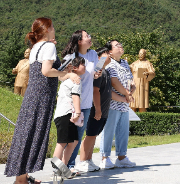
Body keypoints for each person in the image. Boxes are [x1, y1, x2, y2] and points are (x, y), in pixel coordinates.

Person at [4, 18, 81, 184]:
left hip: (33, 95)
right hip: (42, 96)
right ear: (46, 30)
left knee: (26, 133)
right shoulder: (49, 46)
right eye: (52, 26)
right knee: (32, 134)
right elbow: (46, 71)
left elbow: (43, 71)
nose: (54, 28)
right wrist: (67, 74)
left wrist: (61, 72)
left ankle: (22, 176)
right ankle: (21, 179)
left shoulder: (36, 47)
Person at [75, 47, 129, 173]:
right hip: (96, 109)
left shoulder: (105, 71)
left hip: (104, 109)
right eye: (106, 54)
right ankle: (82, 160)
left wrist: (124, 98)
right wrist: (98, 109)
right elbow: (95, 91)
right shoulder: (98, 70)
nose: (109, 55)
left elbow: (108, 92)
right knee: (90, 135)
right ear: (99, 57)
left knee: (93, 135)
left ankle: (88, 160)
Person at [61, 30, 101, 169]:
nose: (90, 38)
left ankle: (70, 166)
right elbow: (61, 76)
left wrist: (96, 74)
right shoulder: (70, 56)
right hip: (71, 102)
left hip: (86, 102)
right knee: (68, 136)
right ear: (79, 41)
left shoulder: (93, 54)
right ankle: (62, 166)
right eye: (87, 36)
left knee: (77, 136)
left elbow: (94, 72)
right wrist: (70, 76)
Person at [100, 40, 136, 169]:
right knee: (108, 131)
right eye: (117, 45)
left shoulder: (125, 63)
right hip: (112, 103)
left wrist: (132, 89)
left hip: (125, 104)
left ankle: (122, 157)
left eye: (121, 44)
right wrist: (127, 94)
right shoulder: (107, 62)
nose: (120, 46)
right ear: (109, 51)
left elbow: (131, 79)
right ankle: (105, 157)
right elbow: (114, 82)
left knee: (123, 131)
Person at [50, 56, 87, 179]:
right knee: (62, 142)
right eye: (83, 65)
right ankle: (57, 168)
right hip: (66, 114)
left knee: (74, 141)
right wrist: (77, 113)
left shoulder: (71, 78)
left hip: (65, 114)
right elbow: (75, 96)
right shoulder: (75, 80)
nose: (85, 67)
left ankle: (63, 167)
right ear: (75, 68)